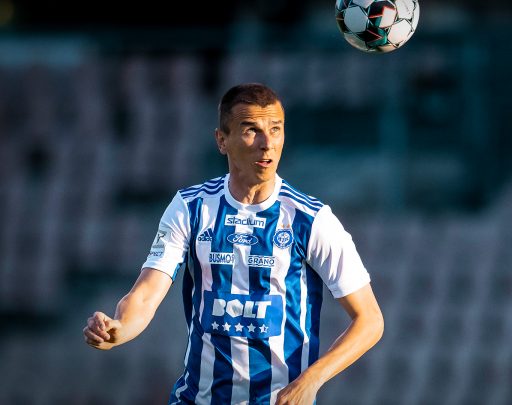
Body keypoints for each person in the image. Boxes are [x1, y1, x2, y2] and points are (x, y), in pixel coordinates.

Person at [82, 83, 384, 405]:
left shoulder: (312, 219)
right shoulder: (191, 207)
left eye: (276, 129)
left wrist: (311, 380)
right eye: (251, 130)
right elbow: (145, 296)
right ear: (222, 141)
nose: (267, 144)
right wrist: (118, 329)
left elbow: (370, 320)